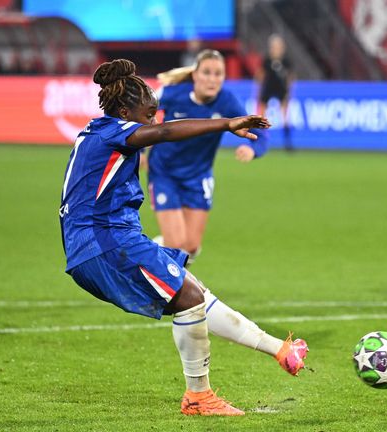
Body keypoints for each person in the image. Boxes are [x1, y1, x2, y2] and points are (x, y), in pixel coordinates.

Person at [59, 58, 307, 416]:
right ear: (126, 110)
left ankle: (278, 350)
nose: (152, 121)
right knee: (188, 297)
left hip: (105, 241)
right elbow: (162, 134)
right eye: (147, 114)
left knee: (193, 291)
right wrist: (225, 124)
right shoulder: (114, 131)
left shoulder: (97, 131)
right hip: (105, 243)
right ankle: (199, 398)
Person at [147, 49, 267, 264]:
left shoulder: (227, 102)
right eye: (207, 73)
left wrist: (253, 149)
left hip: (198, 176)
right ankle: (164, 288)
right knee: (176, 243)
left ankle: (157, 252)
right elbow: (141, 114)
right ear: (195, 74)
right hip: (164, 173)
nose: (212, 79)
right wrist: (140, 150)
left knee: (191, 246)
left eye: (218, 74)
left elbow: (260, 132)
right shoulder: (172, 93)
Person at [256, 34, 294, 150]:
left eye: (278, 47)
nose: (276, 49)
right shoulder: (267, 60)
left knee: (285, 115)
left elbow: (290, 77)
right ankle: (260, 138)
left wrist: (289, 90)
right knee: (261, 114)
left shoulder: (286, 61)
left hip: (281, 89)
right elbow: (260, 75)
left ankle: (288, 142)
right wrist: (259, 90)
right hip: (268, 88)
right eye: (274, 47)